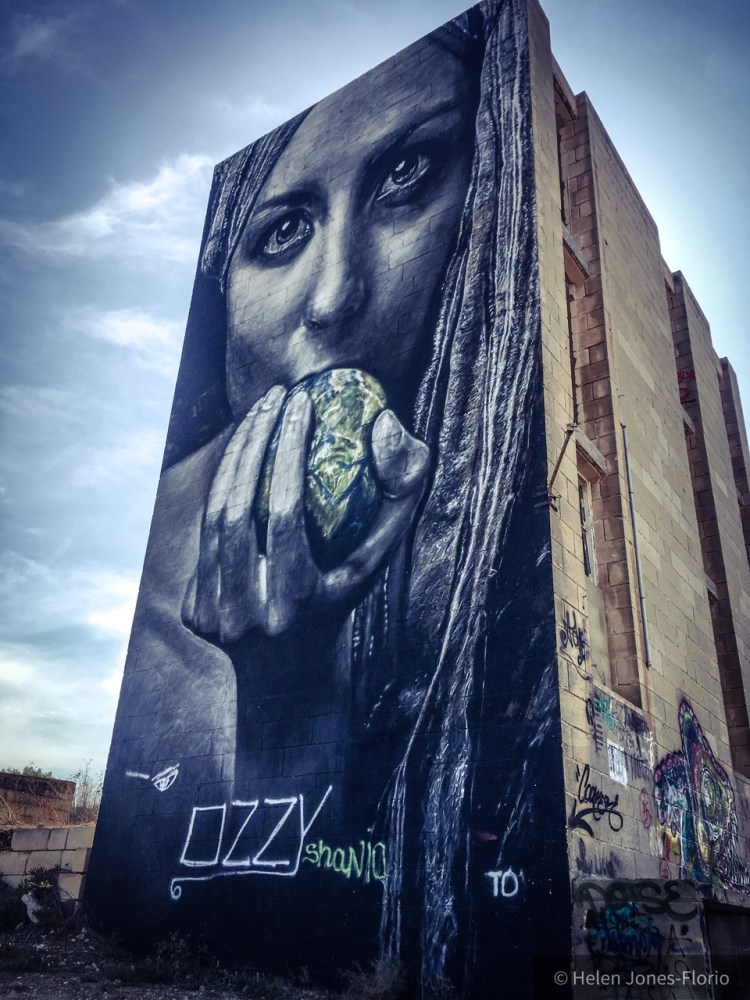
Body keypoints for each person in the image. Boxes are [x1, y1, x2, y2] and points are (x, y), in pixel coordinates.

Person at [91, 0, 566, 992]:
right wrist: (282, 700)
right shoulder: (157, 629)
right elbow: (265, 923)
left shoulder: (502, 552)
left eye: (406, 177)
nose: (335, 297)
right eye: (282, 231)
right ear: (225, 296)